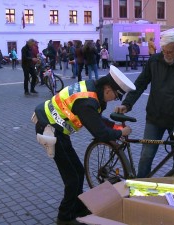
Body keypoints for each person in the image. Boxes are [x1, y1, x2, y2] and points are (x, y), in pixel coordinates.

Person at [32, 65, 135, 225]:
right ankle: (64, 217)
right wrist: (120, 133)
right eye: (116, 95)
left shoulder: (95, 90)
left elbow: (97, 120)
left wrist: (115, 127)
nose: (115, 99)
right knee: (72, 178)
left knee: (79, 172)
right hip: (49, 128)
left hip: (58, 128)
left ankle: (78, 209)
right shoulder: (87, 101)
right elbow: (99, 133)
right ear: (108, 88)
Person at [115, 31, 174, 178]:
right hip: (155, 116)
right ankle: (140, 187)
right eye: (164, 51)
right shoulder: (154, 61)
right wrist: (127, 104)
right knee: (146, 156)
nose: (166, 54)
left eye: (170, 52)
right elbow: (140, 83)